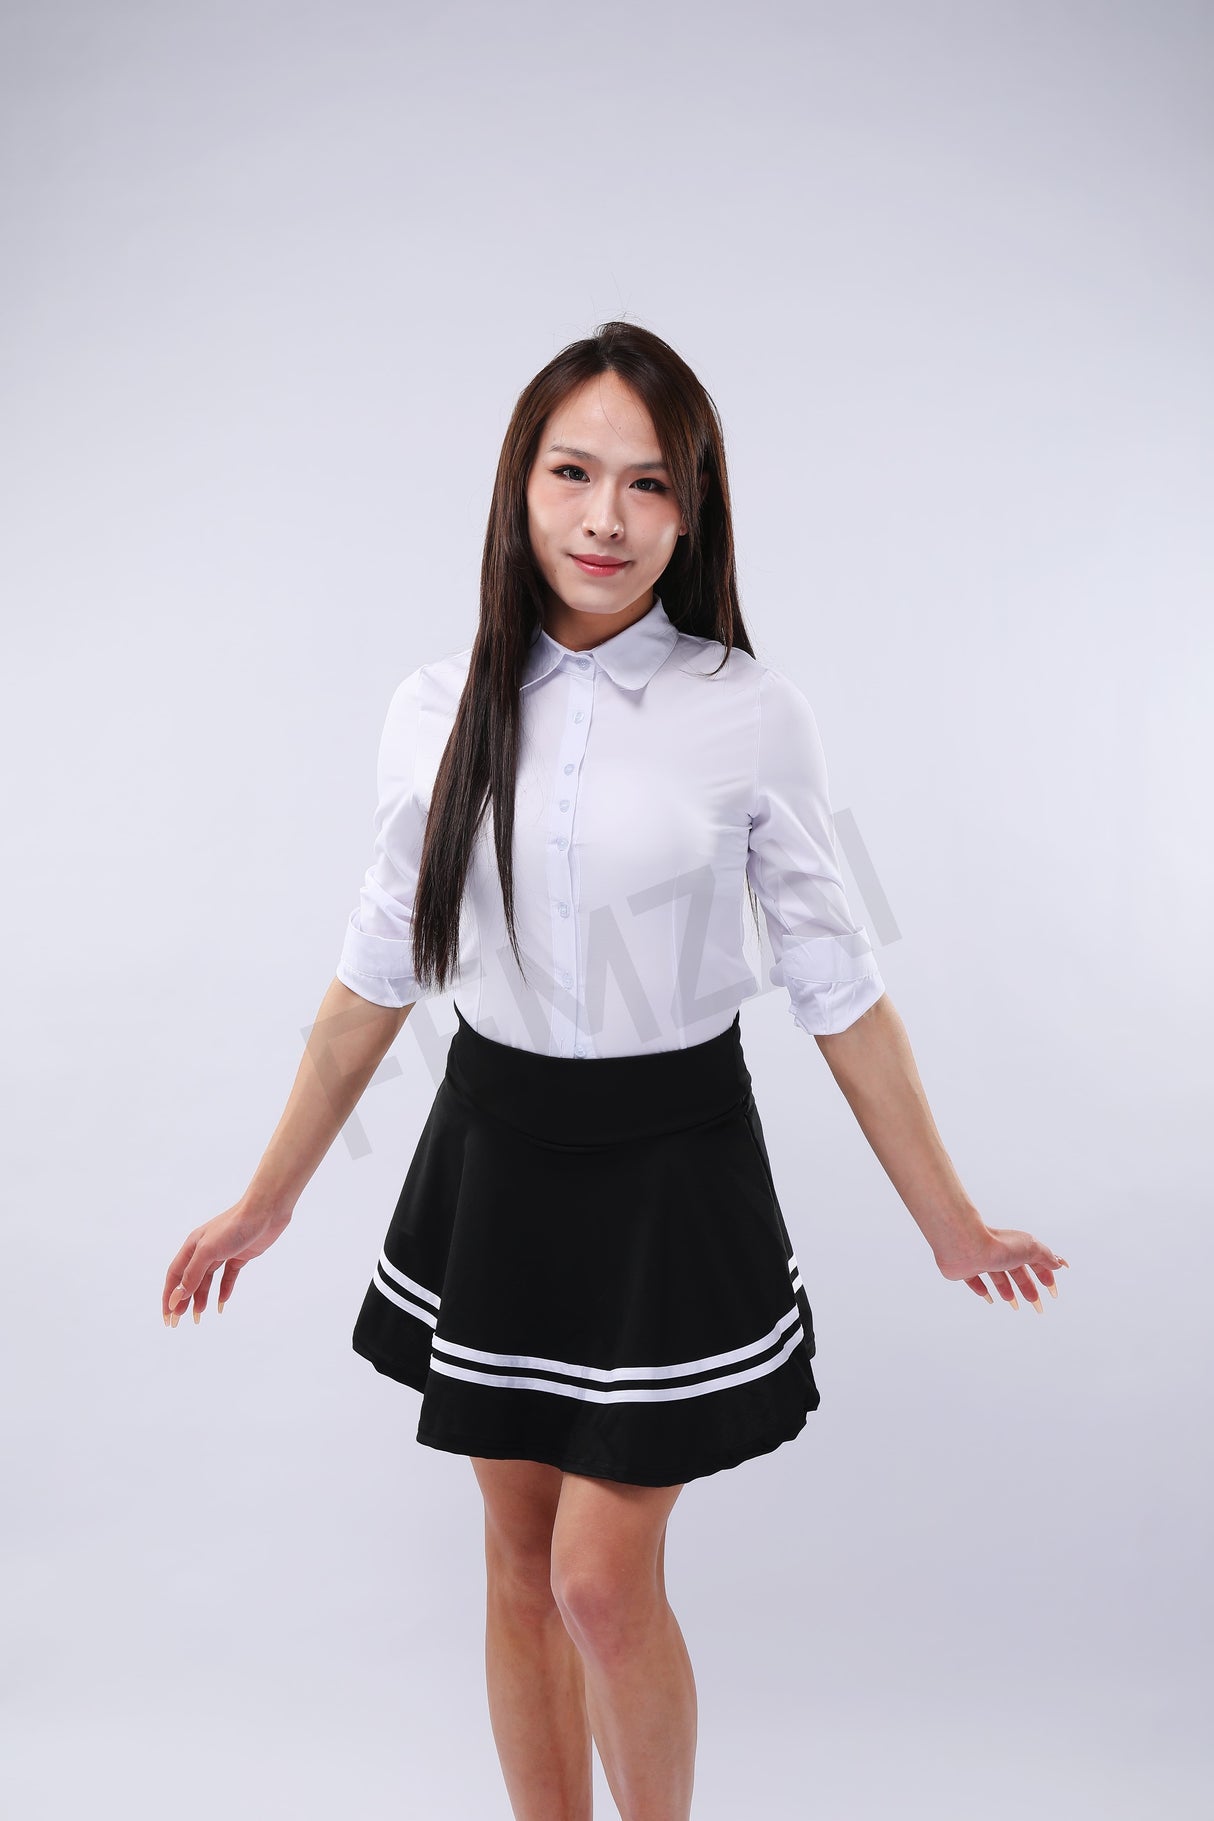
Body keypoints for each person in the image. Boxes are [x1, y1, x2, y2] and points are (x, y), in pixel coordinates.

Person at [161, 321, 1069, 1821]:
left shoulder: (749, 711)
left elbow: (839, 989)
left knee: (597, 1577)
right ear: (517, 486)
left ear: (691, 511)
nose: (605, 518)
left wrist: (950, 1223)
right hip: (496, 1153)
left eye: (647, 484)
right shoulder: (432, 705)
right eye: (572, 473)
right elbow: (377, 967)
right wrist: (266, 1201)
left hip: (669, 1166)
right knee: (520, 1565)